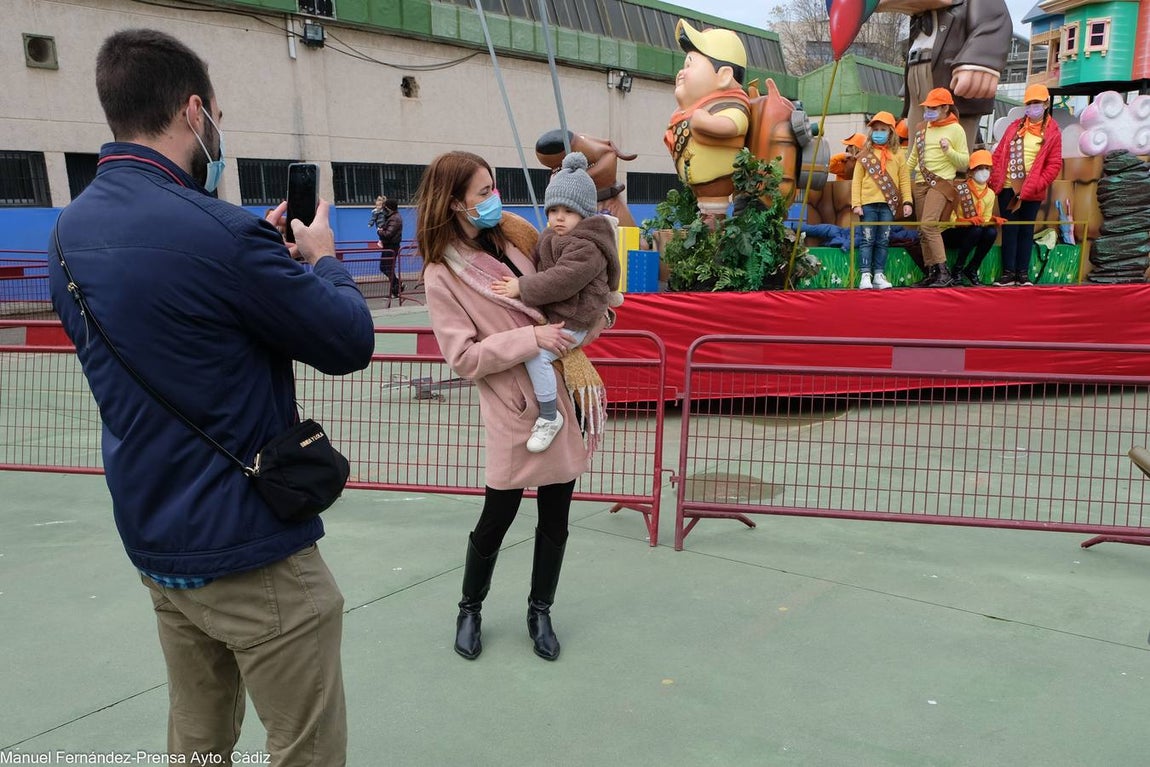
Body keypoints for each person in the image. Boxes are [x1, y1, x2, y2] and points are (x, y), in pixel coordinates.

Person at [46, 29, 374, 766]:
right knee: (304, 746)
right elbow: (348, 341)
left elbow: (166, 332)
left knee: (197, 737)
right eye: (217, 116)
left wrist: (254, 262)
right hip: (250, 547)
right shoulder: (223, 235)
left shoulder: (67, 233)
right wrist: (322, 261)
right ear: (194, 112)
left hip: (156, 536)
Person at [416, 150, 605, 662]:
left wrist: (591, 316)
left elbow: (565, 284)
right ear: (454, 203)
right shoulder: (442, 273)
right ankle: (470, 608)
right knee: (496, 515)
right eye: (483, 192)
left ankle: (540, 610)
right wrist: (531, 339)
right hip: (511, 404)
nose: (493, 199)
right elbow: (463, 357)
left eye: (493, 187)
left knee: (556, 517)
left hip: (557, 392)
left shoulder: (516, 236)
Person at [490, 152, 621, 452]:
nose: (559, 217)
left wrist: (522, 287)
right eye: (553, 210)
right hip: (563, 312)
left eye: (568, 211)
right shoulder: (553, 236)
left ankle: (549, 416)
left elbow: (562, 279)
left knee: (538, 355)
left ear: (584, 214)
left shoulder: (587, 246)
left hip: (577, 317)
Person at [877, 0, 1012, 150]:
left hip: (952, 75)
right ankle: (916, 163)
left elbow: (993, 18)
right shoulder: (919, 15)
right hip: (917, 67)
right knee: (917, 137)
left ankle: (948, 164)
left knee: (950, 135)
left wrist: (979, 59)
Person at [664, 19, 750, 221]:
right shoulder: (691, 110)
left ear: (724, 76)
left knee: (712, 223)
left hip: (718, 187)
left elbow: (733, 125)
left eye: (689, 65)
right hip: (700, 194)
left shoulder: (730, 105)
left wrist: (704, 122)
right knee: (705, 221)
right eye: (683, 65)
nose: (681, 72)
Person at [989, 84, 1063, 287]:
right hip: (1007, 188)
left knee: (1026, 230)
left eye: (1036, 103)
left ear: (1046, 104)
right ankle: (1008, 273)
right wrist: (993, 178)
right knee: (1010, 230)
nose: (1032, 107)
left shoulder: (1053, 132)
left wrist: (1037, 184)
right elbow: (998, 154)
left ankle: (1022, 273)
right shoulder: (1014, 127)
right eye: (1029, 103)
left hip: (1032, 190)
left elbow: (1054, 165)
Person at [907, 87, 969, 287]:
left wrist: (948, 151)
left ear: (945, 108)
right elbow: (913, 157)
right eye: (927, 107)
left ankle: (943, 272)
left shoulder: (956, 129)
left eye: (933, 108)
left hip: (941, 183)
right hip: (920, 182)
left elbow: (964, 162)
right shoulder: (922, 128)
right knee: (922, 230)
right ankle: (931, 272)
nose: (928, 111)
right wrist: (901, 178)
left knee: (929, 225)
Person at [851, 112, 914, 289]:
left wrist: (907, 202)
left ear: (891, 132)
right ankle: (865, 275)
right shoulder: (864, 155)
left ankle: (879, 274)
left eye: (883, 129)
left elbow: (904, 180)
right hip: (867, 204)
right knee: (867, 239)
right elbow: (856, 180)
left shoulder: (898, 154)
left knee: (883, 240)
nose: (879, 132)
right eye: (876, 129)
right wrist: (856, 203)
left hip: (888, 205)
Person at [944, 149, 1003, 285]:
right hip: (952, 232)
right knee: (975, 230)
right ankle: (957, 270)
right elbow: (949, 219)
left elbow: (985, 219)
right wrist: (966, 221)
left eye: (987, 168)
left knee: (991, 232)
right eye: (979, 168)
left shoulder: (990, 194)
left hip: (973, 233)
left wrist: (992, 219)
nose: (984, 172)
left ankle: (972, 269)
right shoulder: (960, 190)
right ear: (970, 172)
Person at [376, 198, 403, 298]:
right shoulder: (391, 217)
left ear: (389, 208)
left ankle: (397, 288)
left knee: (387, 268)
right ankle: (397, 287)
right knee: (385, 268)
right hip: (388, 246)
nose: (384, 209)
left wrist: (380, 231)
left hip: (392, 247)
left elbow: (388, 234)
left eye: (385, 207)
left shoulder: (395, 218)